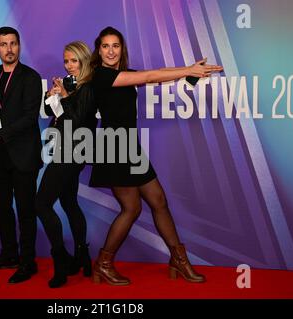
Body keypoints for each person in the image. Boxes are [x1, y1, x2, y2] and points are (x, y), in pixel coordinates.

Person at [89, 26, 223, 285]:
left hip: (129, 147)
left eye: (115, 45)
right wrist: (187, 70)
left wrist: (190, 71)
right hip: (113, 147)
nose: (110, 51)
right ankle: (103, 264)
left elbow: (157, 77)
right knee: (132, 208)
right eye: (105, 46)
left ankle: (178, 260)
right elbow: (150, 76)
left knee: (158, 200)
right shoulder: (101, 76)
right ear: (99, 50)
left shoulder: (125, 73)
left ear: (121, 49)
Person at [0, 26, 43, 284]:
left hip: (24, 154)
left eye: (13, 43)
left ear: (19, 46)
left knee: (25, 210)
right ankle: (9, 255)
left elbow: (28, 118)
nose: (9, 49)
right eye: (4, 44)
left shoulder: (31, 77)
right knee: (1, 207)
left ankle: (28, 262)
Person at [35, 41, 97, 288]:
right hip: (63, 150)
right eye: (66, 61)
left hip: (73, 152)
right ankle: (82, 255)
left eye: (74, 61)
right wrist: (50, 97)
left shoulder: (89, 87)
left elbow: (74, 121)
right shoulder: (70, 85)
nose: (69, 66)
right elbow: (49, 114)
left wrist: (63, 97)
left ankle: (60, 259)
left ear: (84, 61)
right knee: (69, 203)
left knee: (41, 204)